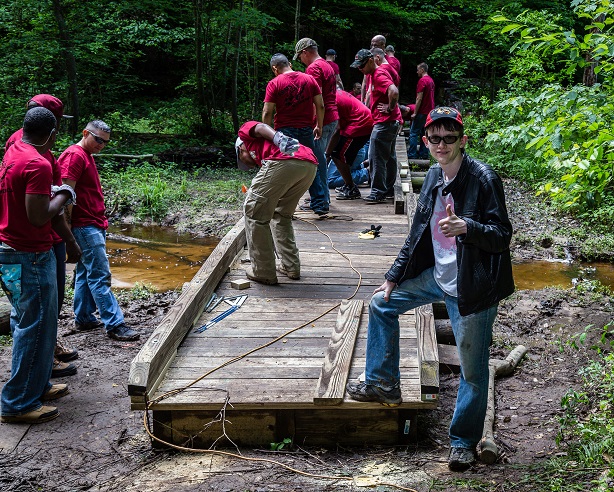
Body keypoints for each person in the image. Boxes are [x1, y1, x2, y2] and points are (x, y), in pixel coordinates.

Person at [346, 107, 515, 471]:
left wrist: (468, 227)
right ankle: (382, 383)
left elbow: (502, 237)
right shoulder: (435, 175)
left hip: (472, 289)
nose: (442, 144)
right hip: (437, 276)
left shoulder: (483, 178)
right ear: (425, 141)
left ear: (462, 140)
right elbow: (417, 233)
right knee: (380, 304)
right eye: (435, 138)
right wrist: (393, 276)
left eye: (449, 137)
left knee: (473, 370)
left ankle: (462, 440)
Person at [0, 107, 77, 424]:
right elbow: (38, 215)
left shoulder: (14, 150)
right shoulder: (36, 163)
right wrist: (64, 194)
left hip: (10, 250)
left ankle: (37, 386)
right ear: (52, 134)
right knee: (36, 326)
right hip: (29, 255)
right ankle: (17, 403)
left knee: (31, 322)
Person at [60, 120, 139, 341]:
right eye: (98, 140)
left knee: (86, 272)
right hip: (84, 225)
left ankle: (84, 317)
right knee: (100, 274)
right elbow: (64, 197)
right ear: (85, 133)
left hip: (93, 222)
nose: (101, 145)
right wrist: (68, 235)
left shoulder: (86, 155)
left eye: (105, 142)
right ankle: (114, 324)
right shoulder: (74, 155)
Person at [237, 122, 317, 285]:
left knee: (254, 213)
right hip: (309, 164)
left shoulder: (244, 134)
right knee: (281, 214)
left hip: (283, 161)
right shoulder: (262, 150)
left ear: (241, 148)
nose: (247, 164)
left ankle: (263, 271)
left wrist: (278, 138)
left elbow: (259, 127)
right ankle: (290, 266)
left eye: (242, 159)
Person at [262, 53, 326, 215]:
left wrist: (267, 133)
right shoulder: (309, 79)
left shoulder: (274, 83)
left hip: (284, 131)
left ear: (275, 68)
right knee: (312, 164)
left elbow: (267, 111)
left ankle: (284, 207)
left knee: (286, 167)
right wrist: (319, 125)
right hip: (306, 129)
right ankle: (319, 204)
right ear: (289, 63)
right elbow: (320, 105)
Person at [294, 38, 339, 216]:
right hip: (332, 116)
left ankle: (321, 201)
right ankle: (322, 198)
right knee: (319, 158)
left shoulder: (313, 68)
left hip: (323, 118)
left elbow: (316, 98)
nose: (300, 60)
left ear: (305, 52)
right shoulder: (328, 65)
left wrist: (314, 122)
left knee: (316, 161)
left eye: (300, 56)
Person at [351, 48, 402, 204]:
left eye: (362, 65)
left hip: (384, 123)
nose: (360, 69)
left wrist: (390, 107)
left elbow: (393, 91)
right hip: (389, 122)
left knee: (376, 157)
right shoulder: (373, 74)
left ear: (372, 60)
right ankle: (387, 189)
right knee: (390, 156)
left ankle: (378, 191)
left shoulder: (379, 75)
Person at [326, 90, 373, 200]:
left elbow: (336, 130)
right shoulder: (333, 93)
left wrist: (327, 154)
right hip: (357, 122)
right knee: (338, 154)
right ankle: (349, 184)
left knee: (338, 155)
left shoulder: (332, 101)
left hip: (360, 123)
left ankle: (351, 188)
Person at [408, 62, 435, 159]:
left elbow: (419, 98)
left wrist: (415, 112)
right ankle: (424, 154)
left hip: (422, 111)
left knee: (413, 133)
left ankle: (412, 155)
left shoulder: (422, 81)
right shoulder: (431, 81)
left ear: (422, 70)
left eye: (418, 70)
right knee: (424, 133)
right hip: (429, 111)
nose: (417, 72)